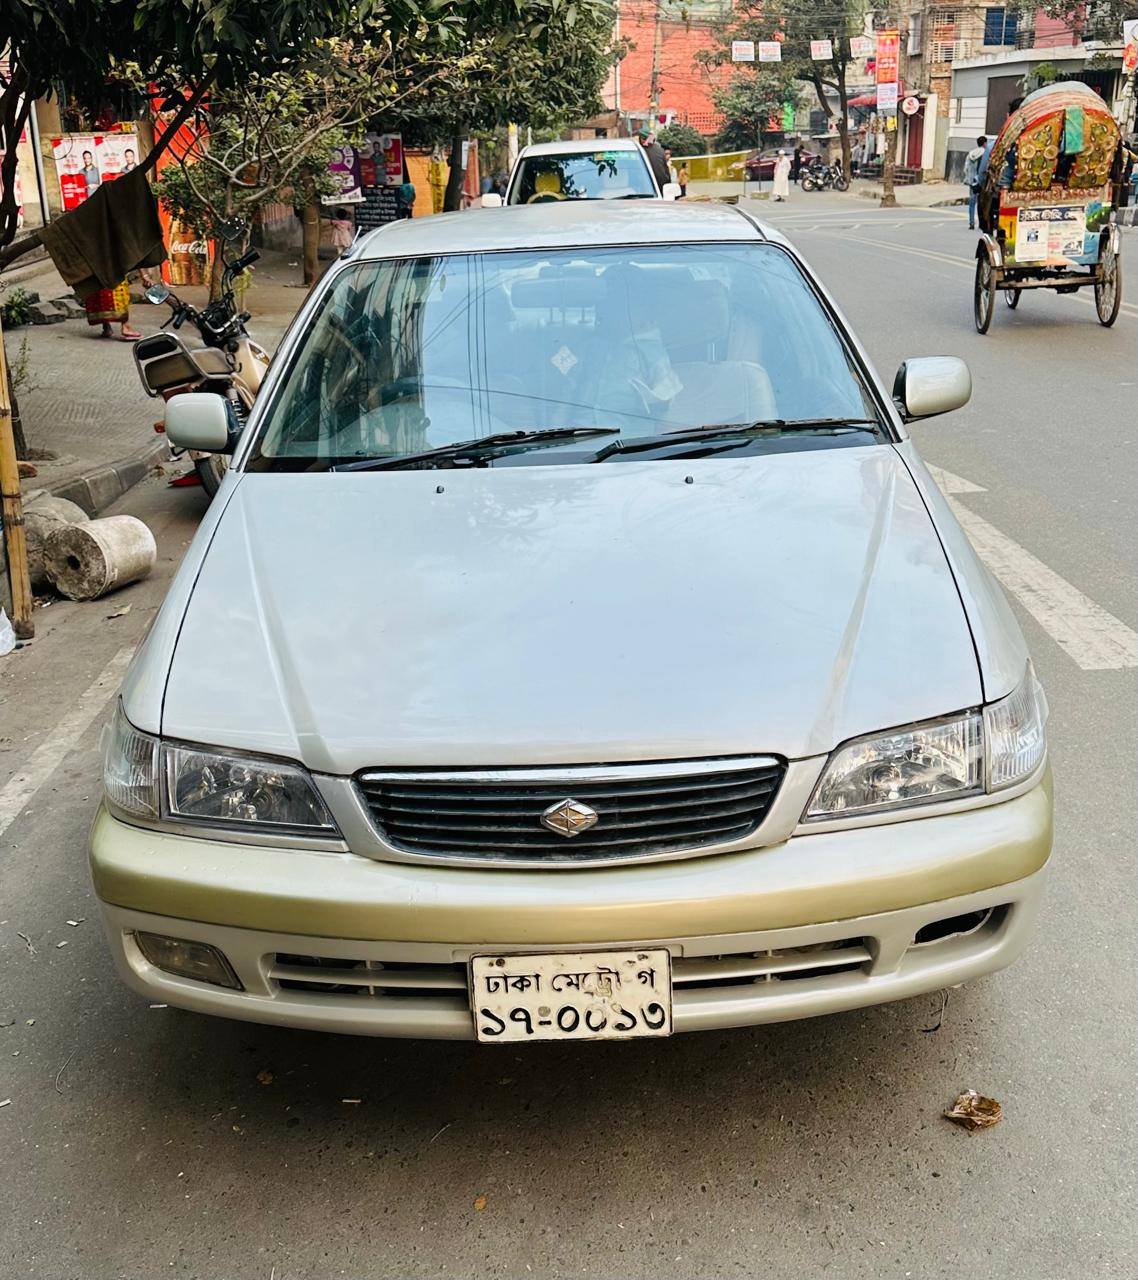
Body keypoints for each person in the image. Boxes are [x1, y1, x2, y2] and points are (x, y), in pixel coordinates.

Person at [963, 135, 987, 230]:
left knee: (972, 203)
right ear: (985, 143)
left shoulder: (971, 154)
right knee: (983, 204)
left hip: (972, 181)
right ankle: (982, 222)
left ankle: (971, 223)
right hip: (981, 181)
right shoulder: (985, 153)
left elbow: (965, 169)